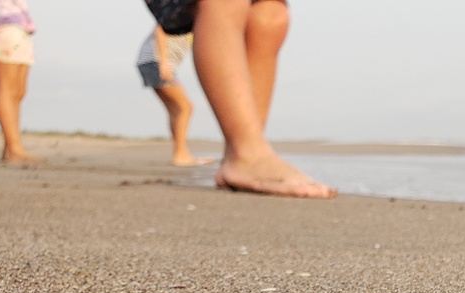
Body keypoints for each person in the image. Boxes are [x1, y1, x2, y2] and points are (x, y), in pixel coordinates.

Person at [143, 0, 333, 198]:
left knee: (270, 14)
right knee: (183, 107)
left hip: (157, 62)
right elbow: (159, 32)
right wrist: (163, 61)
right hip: (153, 62)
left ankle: (245, 151)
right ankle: (245, 155)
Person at [137, 26, 212, 166]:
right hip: (156, 62)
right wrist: (163, 62)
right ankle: (180, 155)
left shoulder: (196, 24)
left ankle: (181, 153)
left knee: (176, 110)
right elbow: (160, 29)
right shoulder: (182, 15)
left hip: (154, 63)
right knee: (185, 107)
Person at [0, 0, 38, 164]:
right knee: (7, 90)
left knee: (18, 91)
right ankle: (14, 149)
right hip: (3, 24)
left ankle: (10, 147)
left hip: (21, 27)